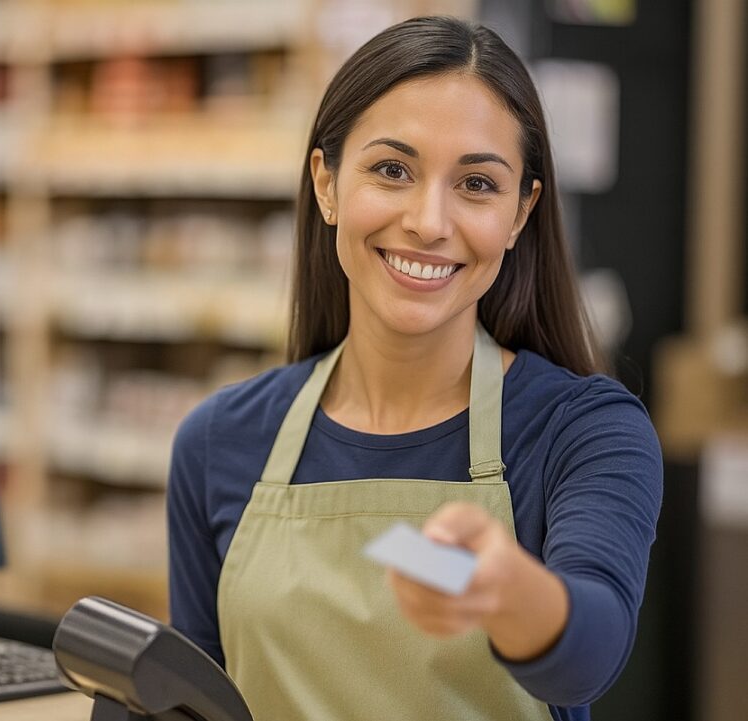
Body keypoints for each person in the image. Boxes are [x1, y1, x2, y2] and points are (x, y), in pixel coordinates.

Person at [166, 15, 662, 721]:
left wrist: (514, 594)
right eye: (392, 169)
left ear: (522, 214)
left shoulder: (584, 431)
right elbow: (197, 702)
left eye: (478, 184)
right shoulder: (217, 441)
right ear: (327, 183)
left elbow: (592, 653)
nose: (430, 221)